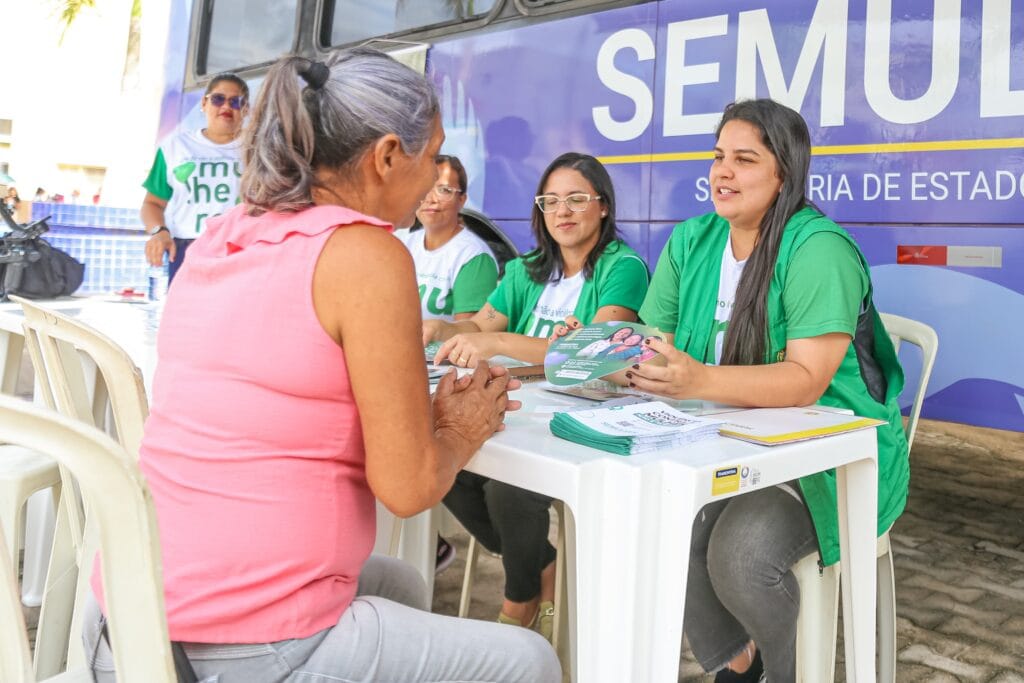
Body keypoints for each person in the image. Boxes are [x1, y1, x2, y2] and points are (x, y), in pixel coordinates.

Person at [83, 49, 560, 683]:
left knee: (395, 581)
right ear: (388, 155)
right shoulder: (365, 253)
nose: (432, 185)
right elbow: (409, 486)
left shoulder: (225, 233)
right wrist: (456, 428)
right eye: (431, 157)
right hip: (235, 648)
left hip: (127, 616)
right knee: (529, 661)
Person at [628, 99, 908, 682]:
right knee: (658, 522)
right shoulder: (692, 241)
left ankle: (792, 672)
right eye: (717, 157)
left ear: (785, 172)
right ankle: (739, 662)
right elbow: (649, 337)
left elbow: (806, 379)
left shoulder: (817, 249)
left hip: (828, 459)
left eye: (744, 160)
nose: (721, 173)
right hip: (727, 441)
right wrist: (610, 354)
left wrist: (697, 379)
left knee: (740, 556)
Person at [428, 152, 650, 640]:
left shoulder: (623, 267)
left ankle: (520, 597)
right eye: (550, 201)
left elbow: (596, 351)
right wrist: (441, 326)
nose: (562, 212)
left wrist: (502, 343)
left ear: (604, 207)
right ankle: (540, 564)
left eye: (576, 199)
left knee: (510, 487)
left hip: (584, 421)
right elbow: (481, 325)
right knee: (442, 450)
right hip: (520, 411)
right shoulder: (528, 268)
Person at [394, 153, 498, 574]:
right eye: (428, 187)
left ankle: (428, 550)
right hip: (402, 368)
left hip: (440, 375)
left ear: (463, 199)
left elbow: (470, 334)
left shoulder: (471, 255)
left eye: (445, 190)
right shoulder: (403, 242)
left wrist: (437, 331)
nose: (432, 199)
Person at [140, 72, 249, 282]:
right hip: (186, 250)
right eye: (218, 99)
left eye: (235, 102)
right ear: (204, 103)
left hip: (240, 250)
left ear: (246, 109)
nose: (226, 107)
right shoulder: (174, 148)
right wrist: (159, 231)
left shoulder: (258, 150)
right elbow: (152, 203)